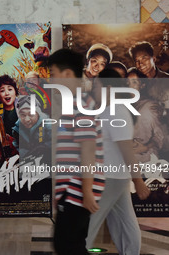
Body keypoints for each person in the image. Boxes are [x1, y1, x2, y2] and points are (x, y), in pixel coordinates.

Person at [47, 49, 105, 255]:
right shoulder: (74, 103)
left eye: (53, 73)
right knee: (67, 244)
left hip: (79, 189)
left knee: (68, 245)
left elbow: (88, 148)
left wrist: (87, 191)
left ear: (67, 75)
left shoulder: (80, 103)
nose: (51, 79)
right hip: (72, 190)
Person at [86, 69, 150, 254]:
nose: (93, 89)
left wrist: (138, 181)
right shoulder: (108, 110)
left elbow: (126, 150)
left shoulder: (117, 112)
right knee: (124, 221)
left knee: (89, 221)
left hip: (110, 178)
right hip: (113, 177)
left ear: (108, 88)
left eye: (96, 85)